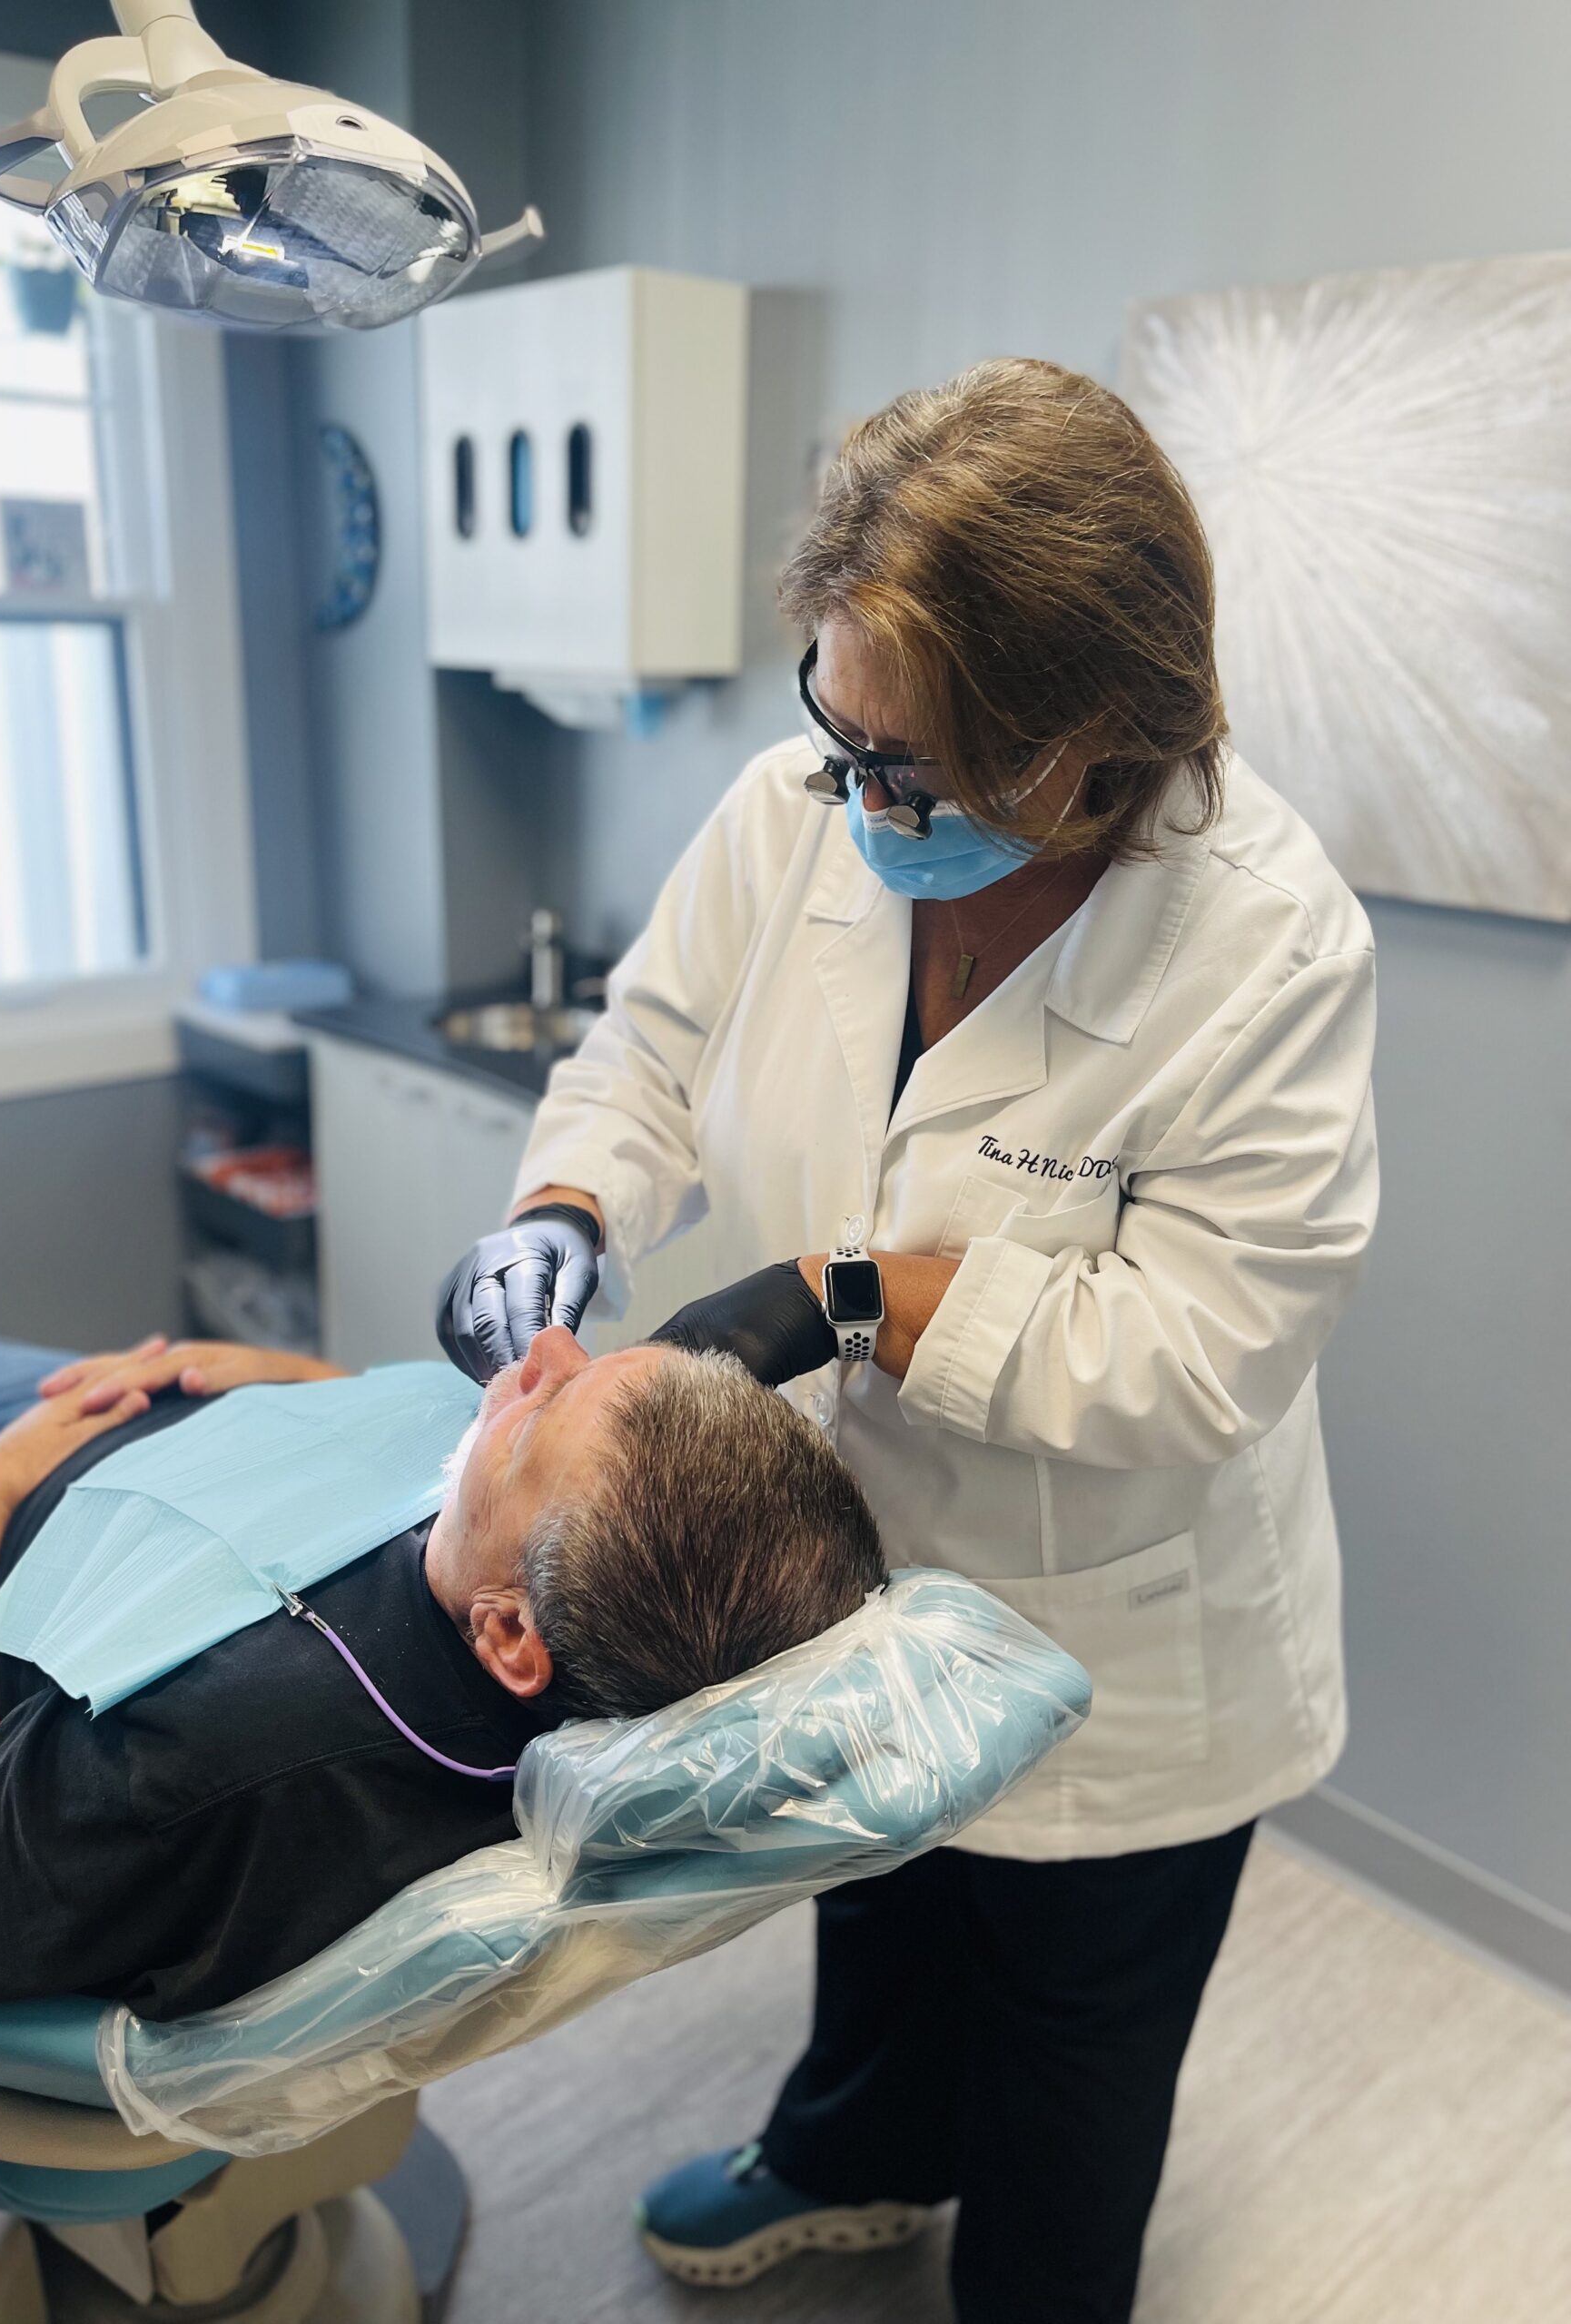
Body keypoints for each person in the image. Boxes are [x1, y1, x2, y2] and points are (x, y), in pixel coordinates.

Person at [435, 359, 1379, 2323]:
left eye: (919, 771)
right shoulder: (810, 807)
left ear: (1097, 744)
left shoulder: (1268, 942)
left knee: (1068, 2045)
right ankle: (853, 2150)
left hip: (1121, 1631)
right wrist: (565, 1206)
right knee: (877, 1902)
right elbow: (656, 1044)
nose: (858, 798)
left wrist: (859, 1289)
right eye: (839, 728)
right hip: (863, 1558)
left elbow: (1205, 1350)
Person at [0, 1294, 884, 2020]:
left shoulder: (222, 1756)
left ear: (508, 1633)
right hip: (161, 1424)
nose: (544, 1351)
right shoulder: (561, 1600)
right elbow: (420, 1482)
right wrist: (286, 1384)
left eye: (543, 1409)